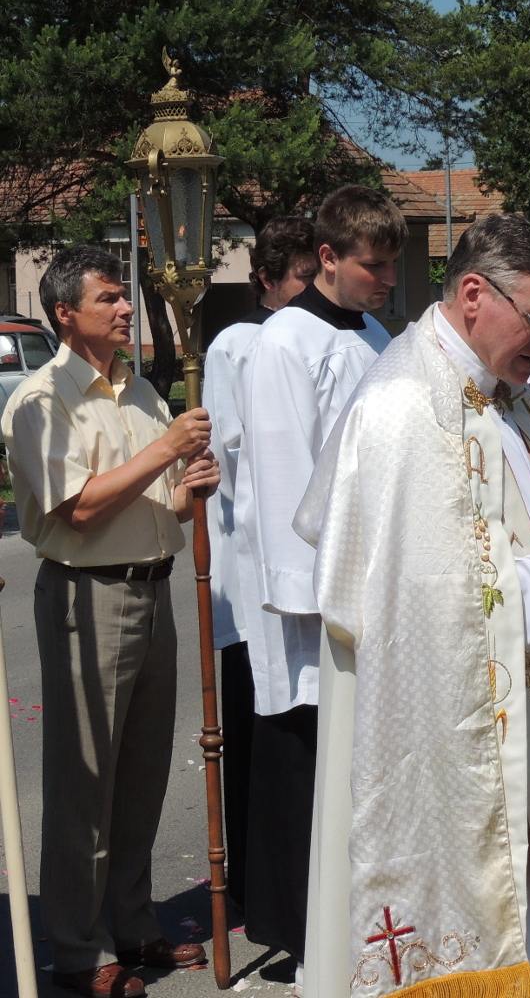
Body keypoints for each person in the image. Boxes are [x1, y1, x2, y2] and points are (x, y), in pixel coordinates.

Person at [294, 213, 530, 997]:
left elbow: (496, 541)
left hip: (524, 705)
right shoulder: (406, 407)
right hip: (447, 731)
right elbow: (420, 597)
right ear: (470, 295)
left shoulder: (495, 391)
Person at [1, 246, 218, 998]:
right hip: (85, 596)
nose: (126, 309)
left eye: (124, 298)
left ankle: (132, 921)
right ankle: (77, 946)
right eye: (109, 299)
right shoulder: (41, 400)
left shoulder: (138, 390)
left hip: (150, 589)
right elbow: (82, 509)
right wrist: (168, 448)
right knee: (84, 779)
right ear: (66, 313)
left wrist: (195, 484)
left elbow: (159, 504)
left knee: (141, 773)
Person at [237, 185, 404, 979]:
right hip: (316, 598)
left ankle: (358, 919)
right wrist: (318, 595)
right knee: (306, 758)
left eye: (392, 265)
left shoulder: (373, 332)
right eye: (373, 265)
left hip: (373, 578)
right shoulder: (283, 343)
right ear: (328, 258)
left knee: (360, 767)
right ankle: (304, 934)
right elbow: (281, 476)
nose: (387, 280)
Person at [202, 217, 315, 918]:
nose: (310, 291)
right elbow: (226, 460)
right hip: (251, 575)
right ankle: (252, 884)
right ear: (267, 282)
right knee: (253, 736)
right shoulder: (241, 344)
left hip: (303, 567)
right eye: (300, 279)